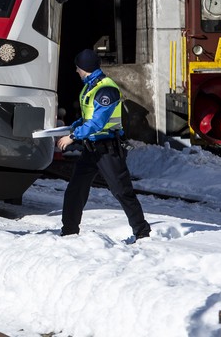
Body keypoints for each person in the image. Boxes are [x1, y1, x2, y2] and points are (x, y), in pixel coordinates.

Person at [56, 49, 151, 241]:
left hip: (108, 149)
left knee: (122, 191)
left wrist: (73, 136)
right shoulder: (90, 87)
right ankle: (69, 231)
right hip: (92, 148)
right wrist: (73, 126)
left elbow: (98, 123)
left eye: (78, 68)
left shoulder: (106, 89)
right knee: (76, 189)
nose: (76, 71)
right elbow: (87, 118)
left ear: (85, 68)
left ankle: (142, 232)